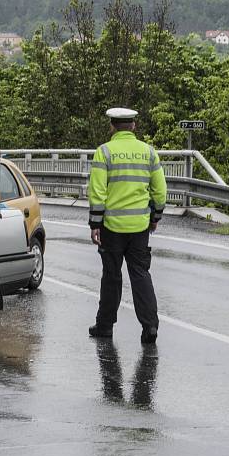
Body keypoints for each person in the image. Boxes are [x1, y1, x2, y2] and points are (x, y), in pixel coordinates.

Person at [87, 108, 167, 344]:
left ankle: (105, 326)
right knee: (141, 274)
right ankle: (150, 326)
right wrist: (155, 216)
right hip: (140, 227)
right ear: (133, 126)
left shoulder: (104, 152)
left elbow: (98, 191)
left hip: (112, 227)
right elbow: (160, 191)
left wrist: (95, 223)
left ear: (112, 127)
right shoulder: (148, 152)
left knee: (111, 276)